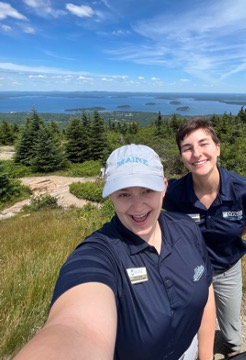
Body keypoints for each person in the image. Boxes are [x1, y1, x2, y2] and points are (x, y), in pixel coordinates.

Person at [14, 144, 216, 360]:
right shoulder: (100, 253)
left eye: (147, 190)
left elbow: (206, 286)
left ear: (164, 187)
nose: (138, 207)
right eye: (124, 194)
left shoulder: (187, 229)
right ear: (111, 196)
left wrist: (205, 355)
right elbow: (76, 325)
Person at [163, 118, 246, 358]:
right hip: (188, 272)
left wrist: (227, 240)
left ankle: (233, 348)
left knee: (231, 329)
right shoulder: (174, 195)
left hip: (228, 267)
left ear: (218, 148)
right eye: (187, 148)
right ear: (181, 155)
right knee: (190, 325)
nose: (196, 153)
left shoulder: (245, 191)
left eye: (204, 144)